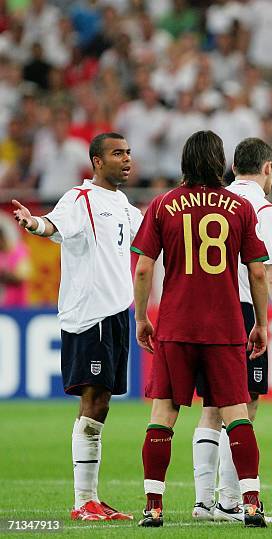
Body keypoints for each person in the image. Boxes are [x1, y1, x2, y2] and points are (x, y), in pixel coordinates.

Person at [131, 130, 270, 528]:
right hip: (225, 325)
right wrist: (260, 322)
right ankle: (251, 503)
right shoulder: (239, 207)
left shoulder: (162, 205)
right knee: (236, 413)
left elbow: (143, 268)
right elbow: (257, 273)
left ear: (184, 161)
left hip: (176, 323)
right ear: (219, 160)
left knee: (164, 413)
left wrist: (142, 317)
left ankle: (154, 506)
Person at [12, 132, 140, 522]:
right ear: (97, 162)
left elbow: (152, 237)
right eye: (117, 153)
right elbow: (51, 225)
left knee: (102, 404)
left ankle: (92, 499)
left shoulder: (122, 204)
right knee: (93, 400)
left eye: (128, 152)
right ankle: (82, 500)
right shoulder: (79, 198)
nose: (126, 159)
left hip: (118, 312)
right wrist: (32, 223)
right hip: (91, 314)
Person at [191, 137, 272, 523]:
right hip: (240, 312)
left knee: (210, 407)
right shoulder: (263, 208)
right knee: (244, 405)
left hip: (204, 311)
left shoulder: (217, 200)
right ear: (269, 167)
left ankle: (203, 502)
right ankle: (229, 501)